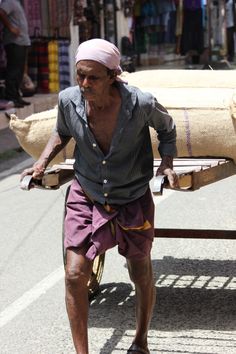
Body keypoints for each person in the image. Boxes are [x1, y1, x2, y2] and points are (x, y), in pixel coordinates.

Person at [21, 38, 178, 354]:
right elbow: (62, 131)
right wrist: (40, 163)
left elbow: (168, 129)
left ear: (113, 75)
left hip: (132, 195)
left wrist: (167, 164)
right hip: (87, 192)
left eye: (93, 77)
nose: (84, 83)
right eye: (80, 75)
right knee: (74, 274)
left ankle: (141, 340)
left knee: (139, 270)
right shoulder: (69, 101)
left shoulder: (141, 104)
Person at [0, 0, 31, 107]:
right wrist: (11, 28)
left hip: (21, 41)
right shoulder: (9, 1)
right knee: (14, 70)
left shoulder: (16, 2)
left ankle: (17, 96)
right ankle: (11, 97)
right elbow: (1, 12)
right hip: (14, 42)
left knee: (19, 71)